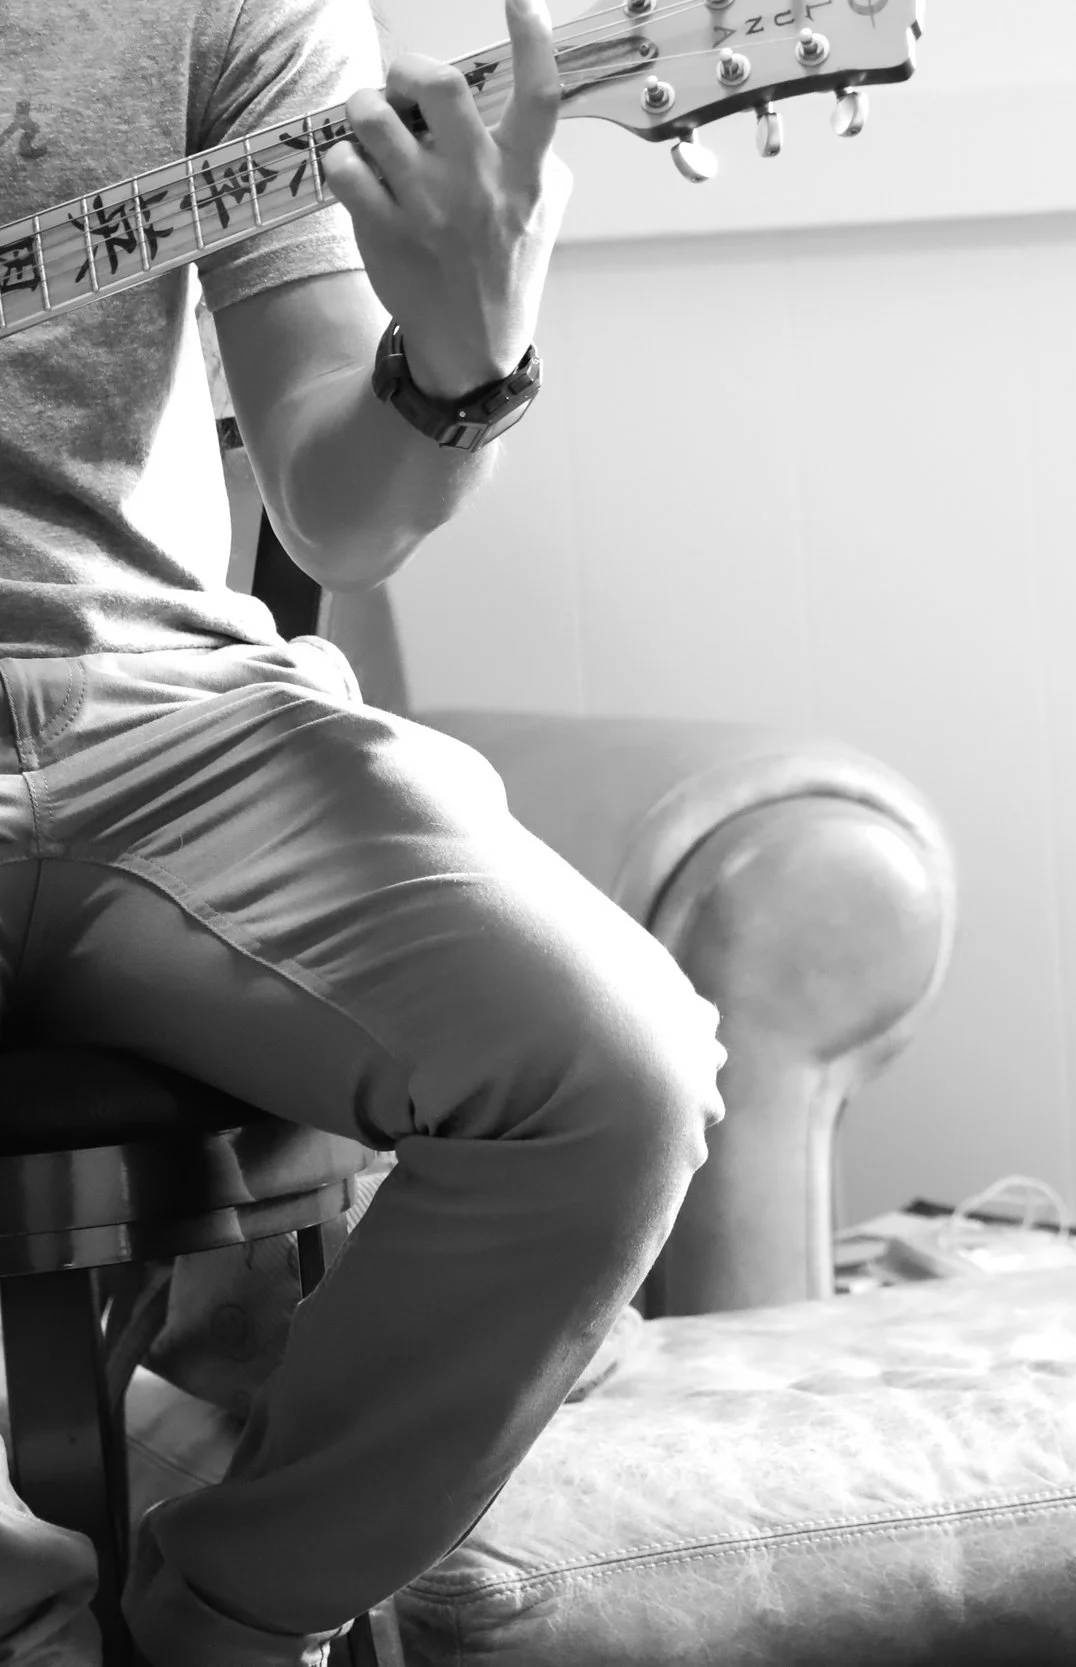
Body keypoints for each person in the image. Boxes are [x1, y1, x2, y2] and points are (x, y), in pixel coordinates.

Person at [0, 3, 724, 1663]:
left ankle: (230, 1617)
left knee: (612, 1067)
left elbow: (339, 504)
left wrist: (455, 361)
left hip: (165, 720)